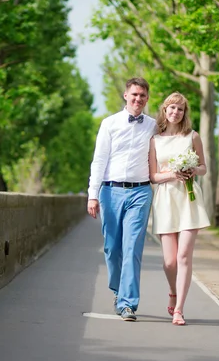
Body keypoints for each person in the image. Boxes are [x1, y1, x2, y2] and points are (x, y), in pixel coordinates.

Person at [87, 77, 158, 322]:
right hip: (110, 191)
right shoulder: (109, 124)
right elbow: (99, 160)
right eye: (134, 94)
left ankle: (128, 303)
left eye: (142, 95)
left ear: (147, 99)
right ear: (126, 96)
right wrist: (92, 195)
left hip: (140, 192)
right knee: (111, 247)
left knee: (132, 248)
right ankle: (118, 290)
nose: (138, 99)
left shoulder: (153, 126)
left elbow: (172, 142)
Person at [148, 92, 210, 326]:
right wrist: (172, 174)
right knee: (170, 261)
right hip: (165, 200)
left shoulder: (192, 137)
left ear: (185, 113)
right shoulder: (155, 140)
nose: (175, 112)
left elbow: (203, 166)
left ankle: (179, 310)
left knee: (184, 255)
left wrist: (193, 171)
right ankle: (172, 290)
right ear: (165, 111)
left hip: (189, 199)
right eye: (171, 108)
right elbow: (153, 176)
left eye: (180, 109)